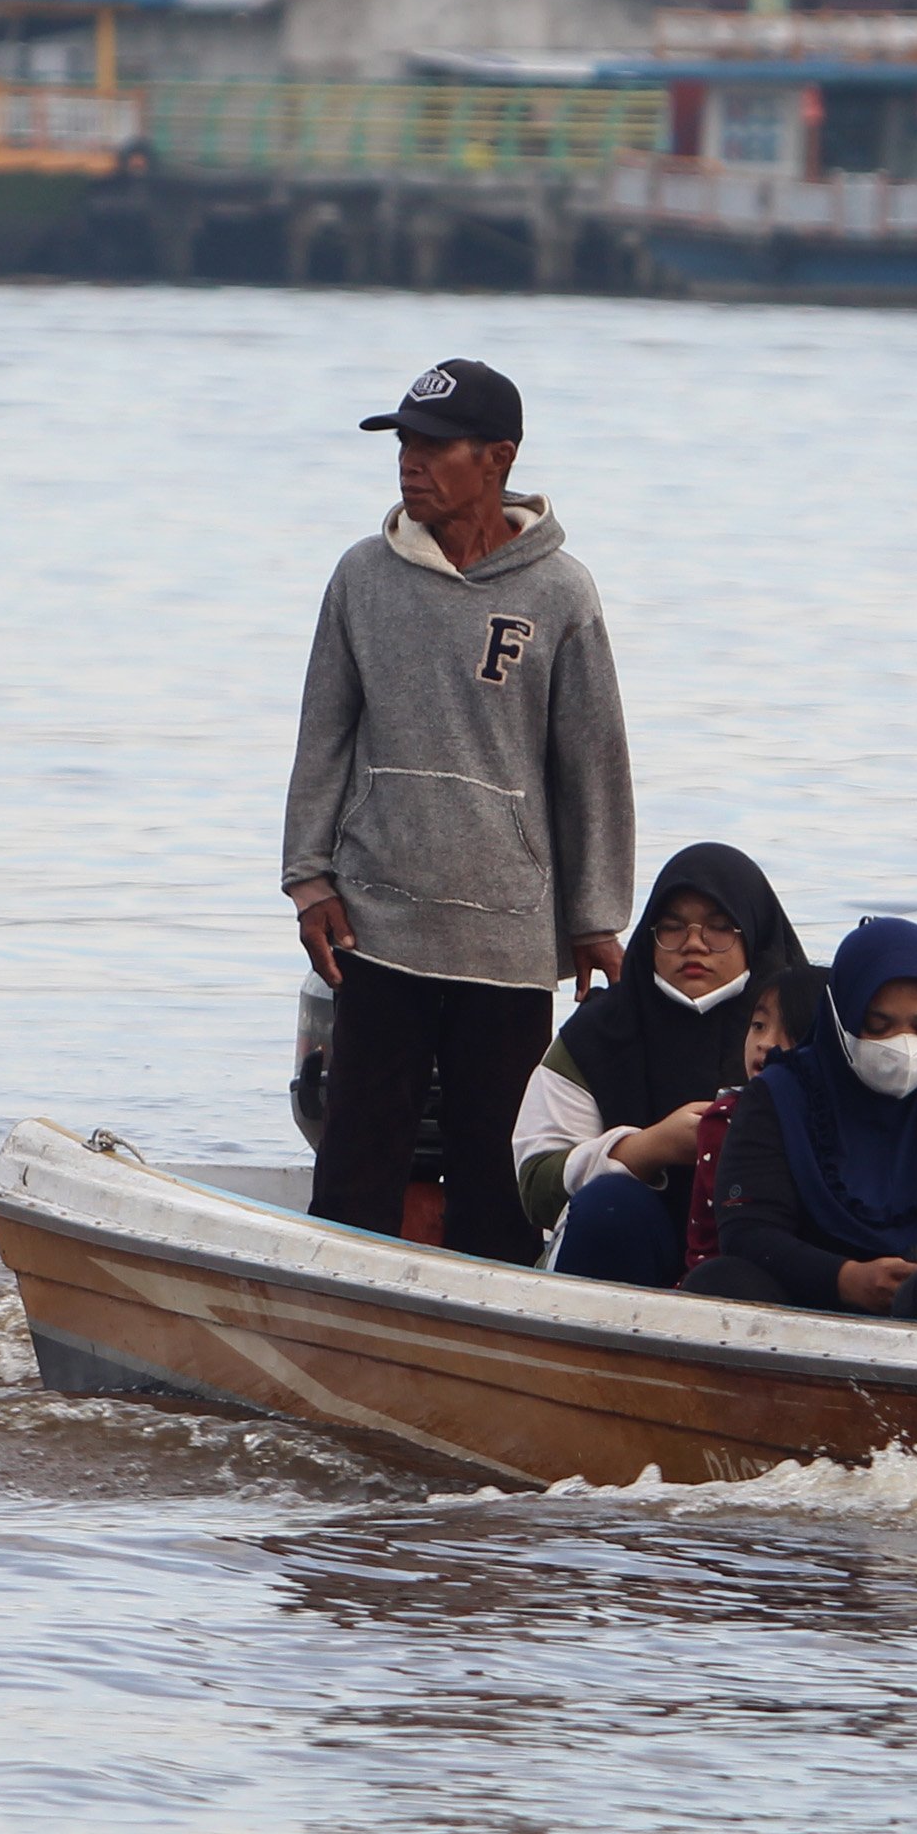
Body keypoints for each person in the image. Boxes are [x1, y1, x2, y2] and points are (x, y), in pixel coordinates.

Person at [282, 359, 634, 1264]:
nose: (410, 461)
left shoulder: (562, 594)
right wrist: (308, 877)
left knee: (497, 1177)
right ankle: (336, 1328)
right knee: (358, 1163)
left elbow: (590, 764)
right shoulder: (362, 577)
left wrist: (596, 918)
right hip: (377, 923)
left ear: (500, 457)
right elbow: (323, 733)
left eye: (434, 445)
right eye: (403, 442)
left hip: (508, 939)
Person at [679, 916, 917, 1316]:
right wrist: (845, 1278)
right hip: (811, 1306)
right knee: (719, 1282)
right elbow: (749, 1231)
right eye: (879, 1027)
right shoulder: (779, 1097)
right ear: (840, 1021)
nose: (905, 1045)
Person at [515, 843, 805, 1288]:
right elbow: (535, 1186)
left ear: (754, 933)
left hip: (763, 1264)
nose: (693, 944)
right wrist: (649, 1149)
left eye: (719, 928)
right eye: (671, 928)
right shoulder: (596, 1035)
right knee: (610, 1206)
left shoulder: (805, 1027)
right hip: (624, 1258)